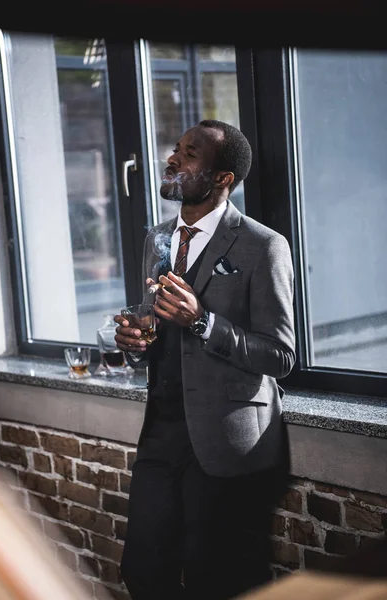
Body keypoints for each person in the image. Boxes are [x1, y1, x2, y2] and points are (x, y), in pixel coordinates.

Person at [114, 120, 296, 600]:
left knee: (213, 582)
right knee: (141, 571)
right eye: (175, 149)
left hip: (225, 439)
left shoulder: (263, 246)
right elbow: (157, 333)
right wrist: (137, 341)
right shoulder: (157, 238)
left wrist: (203, 321)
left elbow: (280, 355)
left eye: (189, 154)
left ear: (222, 178)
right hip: (160, 434)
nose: (172, 158)